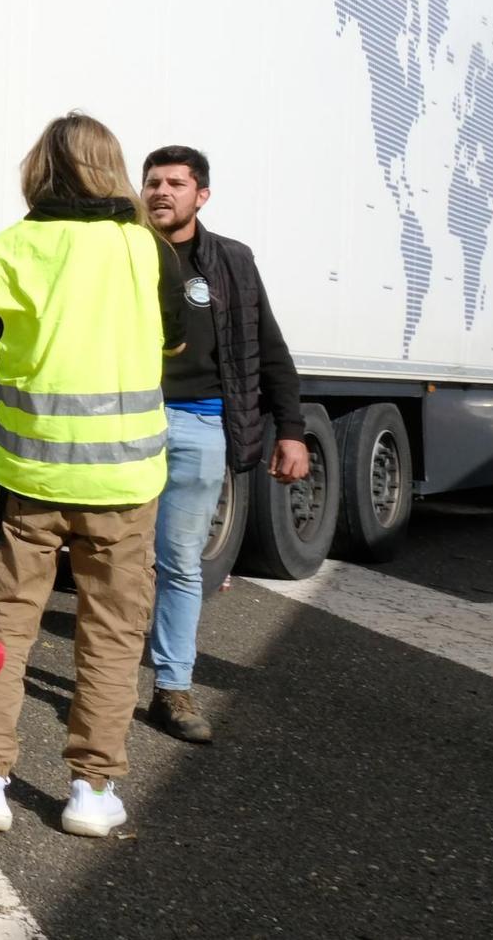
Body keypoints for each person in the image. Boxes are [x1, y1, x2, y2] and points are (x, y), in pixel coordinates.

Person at [0, 112, 184, 839]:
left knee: (8, 626)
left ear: (38, 169)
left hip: (30, 477)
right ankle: (91, 789)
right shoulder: (150, 251)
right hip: (125, 484)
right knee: (110, 635)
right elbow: (172, 340)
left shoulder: (4, 249)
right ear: (113, 167)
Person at [139, 145, 309, 743]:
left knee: (181, 562)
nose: (162, 192)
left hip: (201, 424)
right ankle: (103, 680)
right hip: (127, 425)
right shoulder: (128, 252)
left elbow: (269, 347)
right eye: (153, 182)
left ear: (200, 195)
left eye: (175, 184)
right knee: (115, 562)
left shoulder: (232, 261)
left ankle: (173, 688)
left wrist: (289, 429)